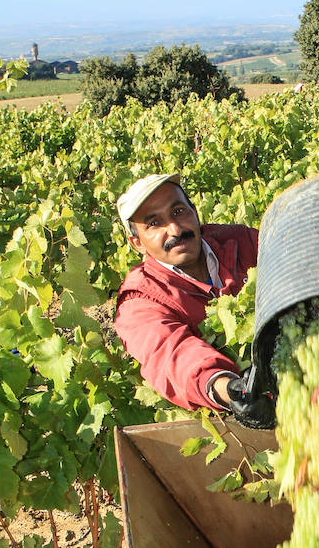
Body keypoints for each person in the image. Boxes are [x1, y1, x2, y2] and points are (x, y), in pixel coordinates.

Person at [113, 174, 273, 424]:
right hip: (236, 419)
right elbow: (171, 357)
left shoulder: (243, 242)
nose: (175, 229)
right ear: (137, 243)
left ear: (195, 212)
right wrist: (229, 390)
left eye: (178, 211)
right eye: (154, 224)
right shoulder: (140, 301)